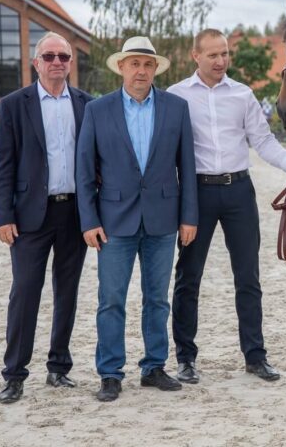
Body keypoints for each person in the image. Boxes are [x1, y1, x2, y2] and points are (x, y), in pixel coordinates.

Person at [167, 28, 286, 384]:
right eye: (213, 55)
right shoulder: (175, 96)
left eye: (225, 54)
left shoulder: (243, 95)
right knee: (188, 277)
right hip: (196, 194)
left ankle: (255, 356)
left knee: (248, 277)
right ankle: (185, 358)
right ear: (195, 56)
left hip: (238, 193)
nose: (221, 61)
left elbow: (263, 142)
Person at [76, 37, 198, 402]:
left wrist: (188, 216)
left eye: (147, 64)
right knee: (111, 300)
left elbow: (186, 168)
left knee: (157, 299)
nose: (141, 70)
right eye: (134, 64)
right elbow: (84, 171)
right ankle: (110, 372)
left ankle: (154, 367)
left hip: (163, 219)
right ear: (121, 68)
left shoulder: (177, 108)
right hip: (113, 221)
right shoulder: (98, 111)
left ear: (155, 69)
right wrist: (88, 220)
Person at [0, 32, 93, 404]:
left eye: (63, 57)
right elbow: (4, 165)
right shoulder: (14, 105)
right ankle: (14, 375)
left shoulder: (87, 104)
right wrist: (3, 216)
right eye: (49, 56)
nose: (56, 62)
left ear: (70, 63)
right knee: (25, 293)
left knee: (67, 293)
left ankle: (59, 367)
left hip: (75, 214)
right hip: (29, 216)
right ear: (36, 62)